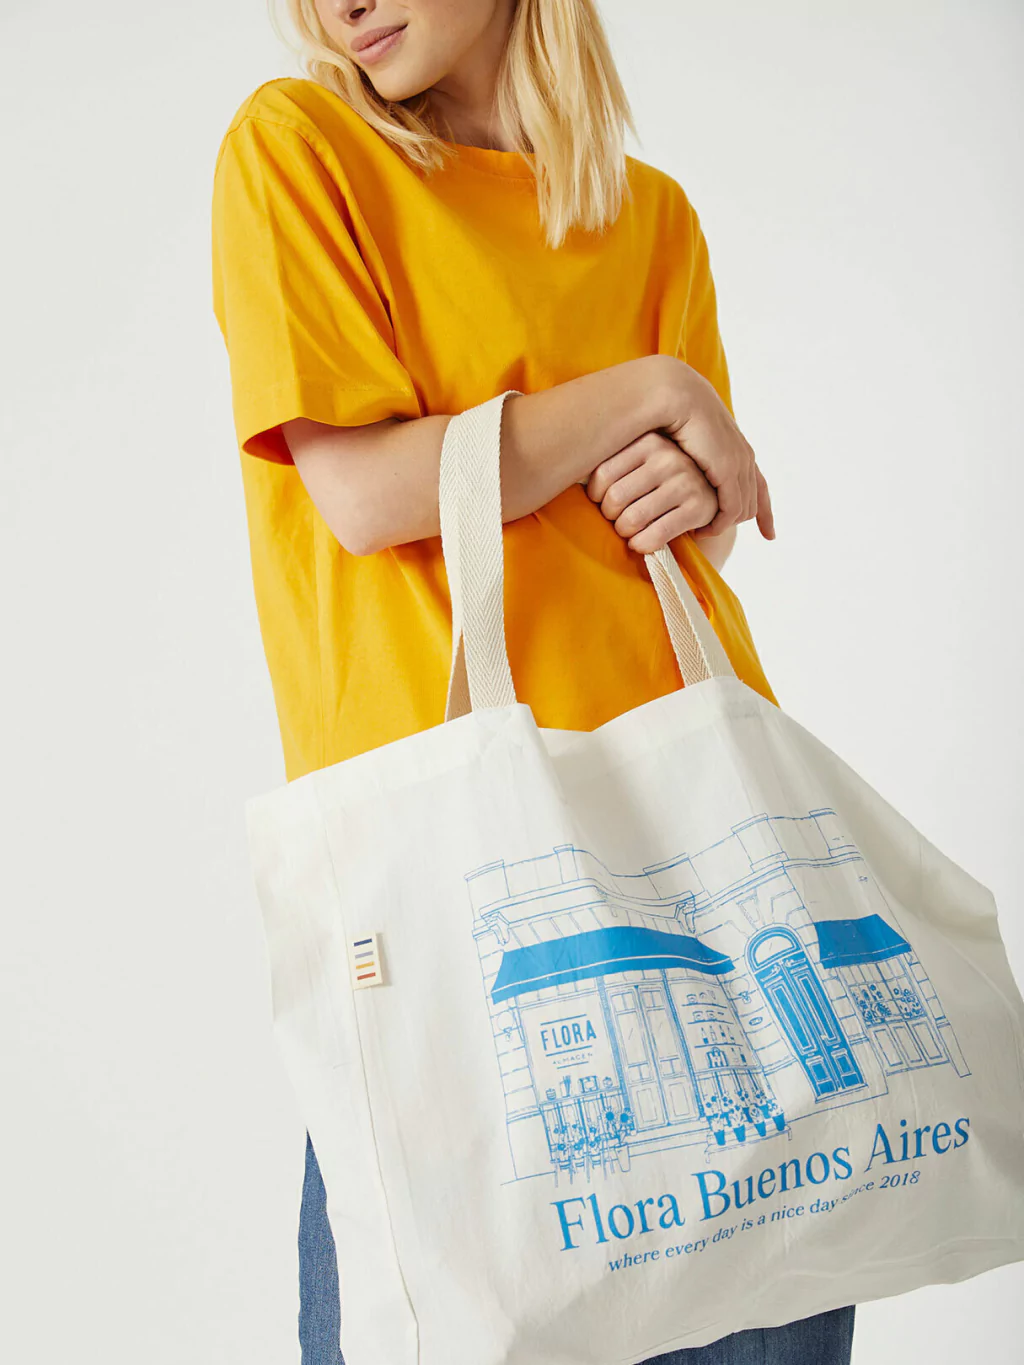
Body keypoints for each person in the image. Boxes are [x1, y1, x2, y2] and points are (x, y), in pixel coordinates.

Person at [210, 1, 855, 1361]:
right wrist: (647, 391)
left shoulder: (652, 218)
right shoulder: (302, 148)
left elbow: (687, 539)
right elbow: (368, 492)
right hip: (452, 905)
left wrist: (686, 477)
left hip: (701, 870)